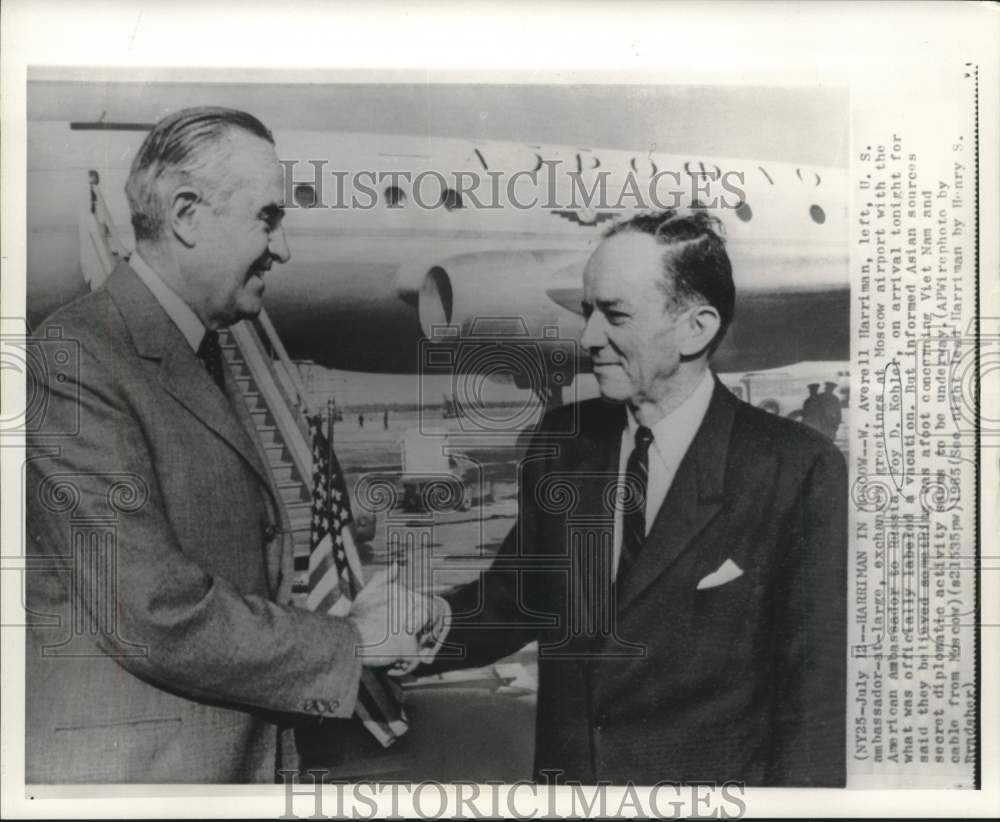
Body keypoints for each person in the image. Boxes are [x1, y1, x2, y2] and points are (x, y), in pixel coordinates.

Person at [24, 107, 428, 783]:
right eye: (268, 218)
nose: (284, 248)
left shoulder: (198, 351)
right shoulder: (74, 359)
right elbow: (153, 612)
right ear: (187, 214)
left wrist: (353, 620)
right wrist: (350, 642)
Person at [419, 208, 847, 786]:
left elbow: (814, 701)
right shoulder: (562, 444)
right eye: (587, 310)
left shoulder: (795, 469)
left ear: (696, 328)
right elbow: (518, 598)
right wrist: (420, 625)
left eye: (614, 315)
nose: (589, 337)